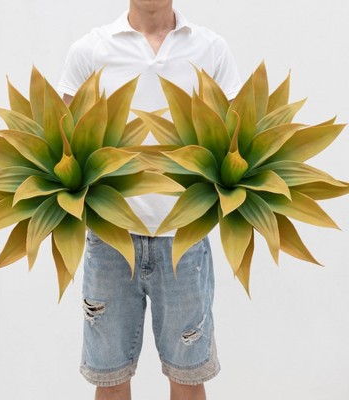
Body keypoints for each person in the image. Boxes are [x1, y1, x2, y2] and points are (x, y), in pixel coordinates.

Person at [58, 1, 241, 399]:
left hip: (184, 239)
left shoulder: (211, 48)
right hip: (110, 239)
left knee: (188, 379)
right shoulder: (90, 50)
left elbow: (237, 139)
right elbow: (62, 144)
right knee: (109, 379)